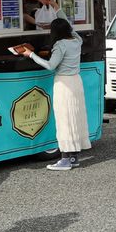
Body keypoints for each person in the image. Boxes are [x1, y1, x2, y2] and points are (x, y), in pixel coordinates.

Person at [20, 14, 90, 171]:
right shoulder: (76, 40)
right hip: (76, 81)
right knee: (75, 119)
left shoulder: (60, 45)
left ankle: (65, 159)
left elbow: (50, 65)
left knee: (64, 120)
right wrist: (57, 9)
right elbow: (71, 27)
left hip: (64, 83)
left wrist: (30, 54)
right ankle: (74, 157)